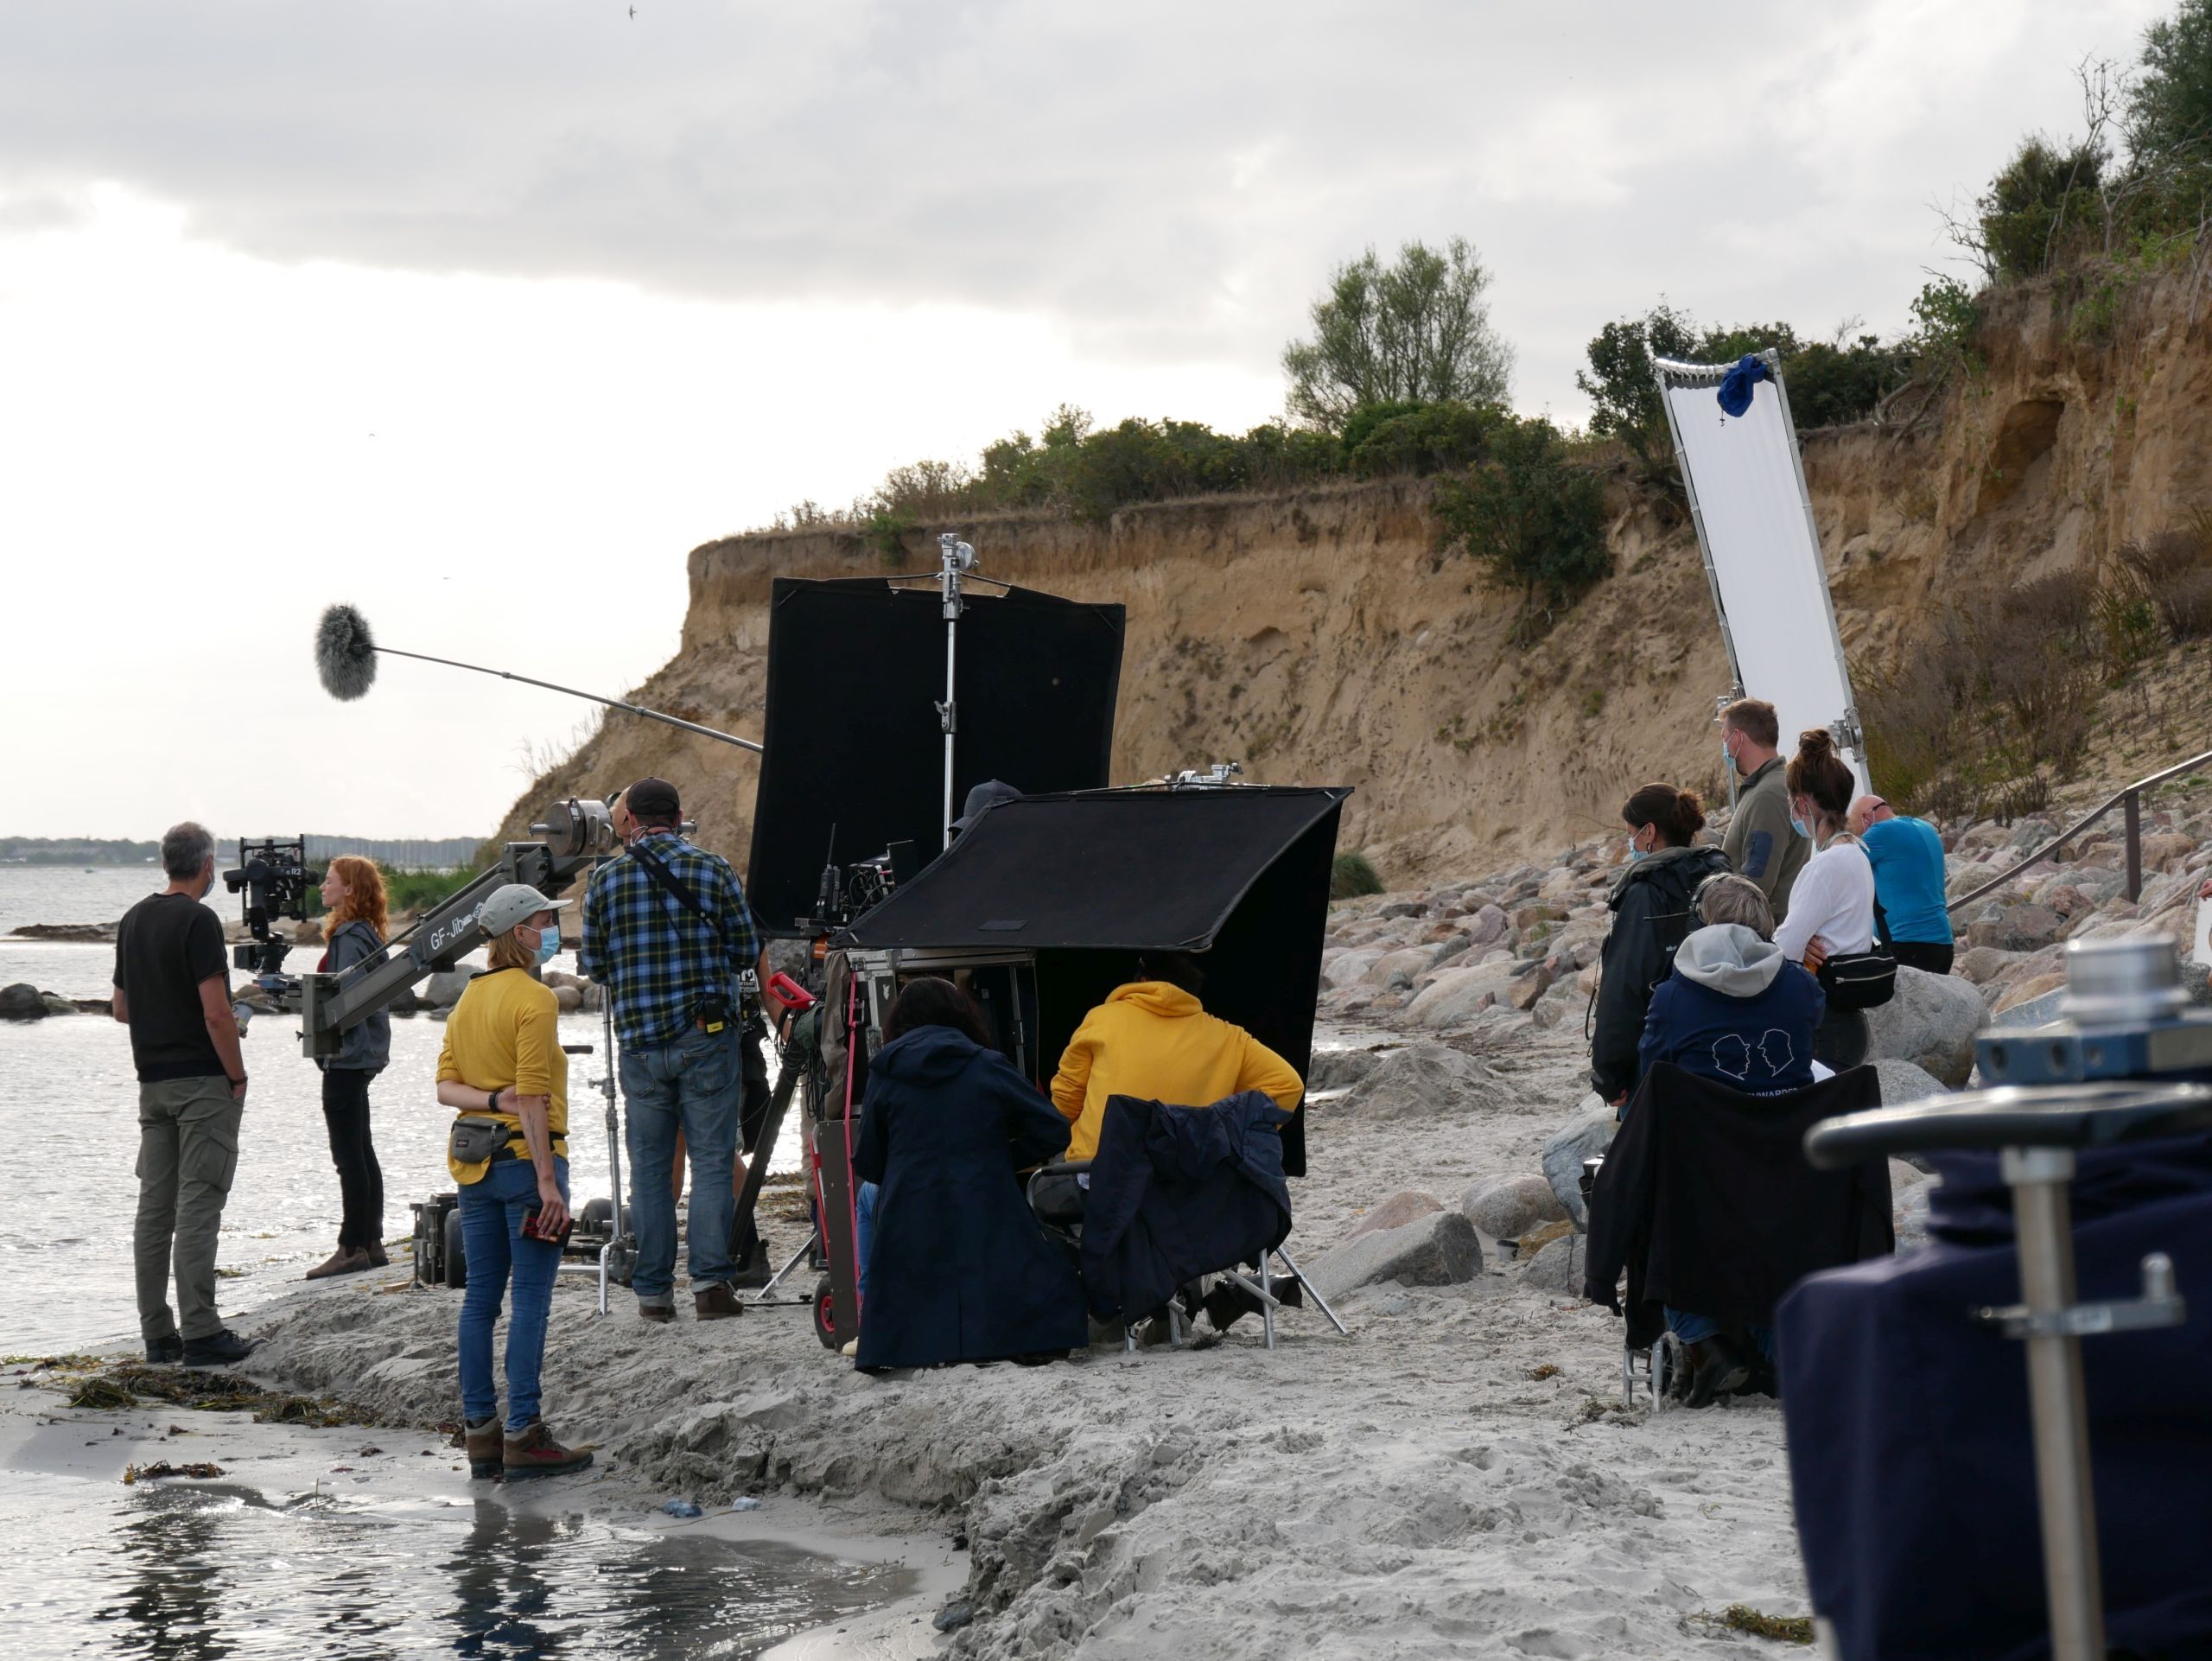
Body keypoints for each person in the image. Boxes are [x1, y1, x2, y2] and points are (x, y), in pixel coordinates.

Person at [579, 776, 763, 1324]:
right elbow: (748, 948)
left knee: (652, 1172)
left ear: (630, 819)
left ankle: (654, 1294)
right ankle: (710, 1287)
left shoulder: (605, 881)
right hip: (706, 1038)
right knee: (711, 1163)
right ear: (680, 815)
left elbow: (593, 966)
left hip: (639, 1044)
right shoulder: (713, 868)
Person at [435, 882, 592, 1480]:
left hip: (476, 1166)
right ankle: (525, 1432)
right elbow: (532, 1093)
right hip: (530, 1163)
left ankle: (481, 1432)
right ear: (518, 932)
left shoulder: (467, 1000)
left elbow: (446, 1087)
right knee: (529, 1299)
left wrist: (490, 1098)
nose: (552, 930)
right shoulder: (536, 998)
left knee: (480, 1299)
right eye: (545, 921)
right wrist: (549, 1184)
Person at [851, 977, 1087, 1370]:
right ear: (960, 1014)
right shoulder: (984, 1064)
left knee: (868, 1201)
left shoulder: (886, 1071)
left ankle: (870, 1324)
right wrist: (999, 1159)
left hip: (911, 1214)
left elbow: (869, 1162)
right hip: (985, 1203)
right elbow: (1053, 1127)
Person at [111, 822, 255, 1367]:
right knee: (200, 1203)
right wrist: (236, 1077)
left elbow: (121, 1009)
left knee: (154, 1209)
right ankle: (201, 1331)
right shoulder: (199, 920)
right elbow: (218, 1013)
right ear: (207, 866)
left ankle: (157, 1334)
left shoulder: (134, 918)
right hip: (201, 1081)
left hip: (152, 1081)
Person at [1050, 951, 1303, 1161]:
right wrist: (1227, 1136)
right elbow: (1288, 1085)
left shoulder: (1101, 1018)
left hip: (1100, 1169)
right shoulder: (1229, 1037)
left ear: (1142, 980)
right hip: (1186, 1173)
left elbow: (1067, 1098)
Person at [1592, 784, 1731, 1109]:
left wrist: (1608, 1076)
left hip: (1657, 1063)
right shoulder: (1721, 877)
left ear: (1649, 832)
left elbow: (1625, 989)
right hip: (1725, 1050)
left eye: (1631, 834)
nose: (1631, 843)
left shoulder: (1644, 893)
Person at [1639, 874, 1824, 1095]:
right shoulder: (1803, 984)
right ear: (1765, 929)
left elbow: (1650, 1074)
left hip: (1710, 1127)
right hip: (1793, 1125)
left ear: (1696, 927)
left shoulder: (1670, 999)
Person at [306, 855, 392, 1280]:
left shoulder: (348, 937)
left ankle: (351, 1246)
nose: (324, 888)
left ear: (350, 891)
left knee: (348, 1156)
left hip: (348, 1057)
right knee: (362, 1149)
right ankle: (372, 1242)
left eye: (330, 882)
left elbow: (349, 1001)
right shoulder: (367, 934)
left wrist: (312, 1012)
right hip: (363, 1055)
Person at [1774, 731, 1878, 1070]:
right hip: (1847, 1015)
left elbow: (1786, 948)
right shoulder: (1856, 852)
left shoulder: (1823, 865)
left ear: (1802, 802)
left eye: (1791, 800)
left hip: (1824, 1020)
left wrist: (1792, 944)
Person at [1719, 697, 1809, 922]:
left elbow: (1756, 885)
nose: (1725, 749)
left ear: (1738, 738)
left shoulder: (1767, 795)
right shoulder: (1769, 786)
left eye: (1724, 738)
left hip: (1765, 937)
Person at [1847, 794, 1955, 976]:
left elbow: (1840, 864)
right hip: (1943, 943)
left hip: (1910, 946)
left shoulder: (1882, 832)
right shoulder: (1925, 827)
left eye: (1857, 830)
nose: (1859, 836)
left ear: (1866, 818)